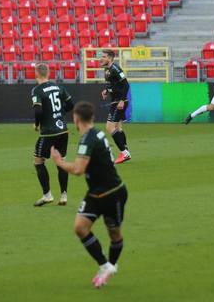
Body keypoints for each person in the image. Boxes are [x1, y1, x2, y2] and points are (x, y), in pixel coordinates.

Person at [52, 101, 128, 289]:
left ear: (76, 119)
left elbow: (78, 169)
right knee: (80, 227)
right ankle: (105, 266)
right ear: (92, 118)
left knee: (115, 235)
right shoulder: (96, 133)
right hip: (96, 193)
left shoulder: (88, 138)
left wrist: (59, 162)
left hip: (112, 193)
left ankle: (109, 267)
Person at [31, 63, 74, 207]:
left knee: (38, 161)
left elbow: (37, 111)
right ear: (48, 73)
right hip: (63, 130)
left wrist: (37, 125)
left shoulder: (37, 90)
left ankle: (47, 195)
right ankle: (64, 195)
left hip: (48, 132)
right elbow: (71, 104)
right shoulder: (59, 87)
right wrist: (60, 114)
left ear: (36, 74)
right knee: (61, 161)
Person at [100, 50, 131, 164]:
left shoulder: (116, 69)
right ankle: (125, 150)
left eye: (104, 57)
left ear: (110, 58)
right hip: (116, 101)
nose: (101, 58)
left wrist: (122, 100)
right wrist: (107, 90)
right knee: (118, 128)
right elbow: (114, 85)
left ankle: (124, 153)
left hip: (119, 102)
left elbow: (126, 85)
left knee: (109, 127)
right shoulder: (107, 69)